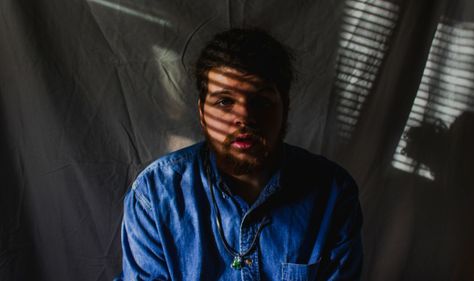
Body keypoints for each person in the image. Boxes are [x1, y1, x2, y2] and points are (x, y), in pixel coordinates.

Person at [116, 27, 363, 281]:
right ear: (202, 112)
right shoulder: (155, 195)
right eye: (224, 101)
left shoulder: (333, 194)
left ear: (285, 108)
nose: (244, 118)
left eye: (261, 101)